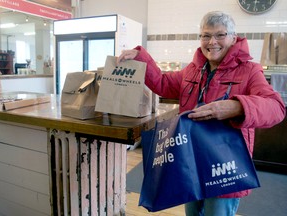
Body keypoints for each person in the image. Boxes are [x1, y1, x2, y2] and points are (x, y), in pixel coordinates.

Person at [117, 11, 286, 216]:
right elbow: (162, 83)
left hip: (225, 166)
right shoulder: (193, 70)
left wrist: (236, 107)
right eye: (206, 35)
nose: (212, 42)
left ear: (233, 38)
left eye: (220, 35)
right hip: (192, 161)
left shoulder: (249, 71)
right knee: (193, 212)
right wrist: (140, 57)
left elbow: (276, 107)